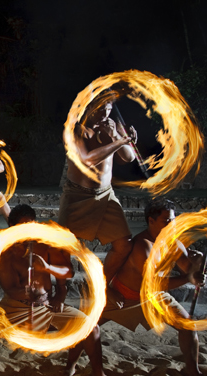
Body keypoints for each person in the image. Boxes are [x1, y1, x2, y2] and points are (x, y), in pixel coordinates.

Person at [0, 204, 116, 376]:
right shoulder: (7, 252)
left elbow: (67, 273)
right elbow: (10, 288)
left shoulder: (45, 244)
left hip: (47, 305)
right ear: (11, 227)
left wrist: (49, 271)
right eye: (22, 226)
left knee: (89, 329)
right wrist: (27, 292)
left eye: (31, 225)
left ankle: (90, 371)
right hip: (15, 307)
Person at [66, 198, 206, 376]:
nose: (172, 225)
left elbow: (188, 269)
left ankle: (192, 370)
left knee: (188, 325)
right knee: (87, 326)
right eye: (167, 221)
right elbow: (153, 282)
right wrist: (188, 278)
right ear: (151, 221)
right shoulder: (142, 246)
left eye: (173, 220)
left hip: (153, 297)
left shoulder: (174, 243)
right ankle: (71, 366)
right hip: (123, 295)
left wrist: (197, 266)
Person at [58, 98, 137, 288]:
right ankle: (60, 291)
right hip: (77, 196)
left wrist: (118, 136)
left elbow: (128, 157)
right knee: (62, 247)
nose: (104, 114)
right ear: (88, 107)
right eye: (100, 110)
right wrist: (121, 141)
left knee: (124, 244)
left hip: (106, 196)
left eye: (108, 110)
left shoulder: (111, 126)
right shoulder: (74, 130)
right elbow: (87, 160)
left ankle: (101, 285)